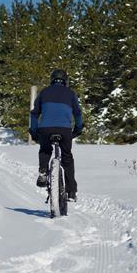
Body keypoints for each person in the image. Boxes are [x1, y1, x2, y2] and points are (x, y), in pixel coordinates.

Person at [29, 69, 83, 201]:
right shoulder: (70, 93)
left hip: (45, 129)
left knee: (45, 149)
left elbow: (34, 113)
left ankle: (43, 171)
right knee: (67, 158)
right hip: (64, 129)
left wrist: (34, 131)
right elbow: (77, 113)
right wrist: (78, 128)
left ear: (52, 80)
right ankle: (71, 192)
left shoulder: (44, 92)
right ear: (65, 81)